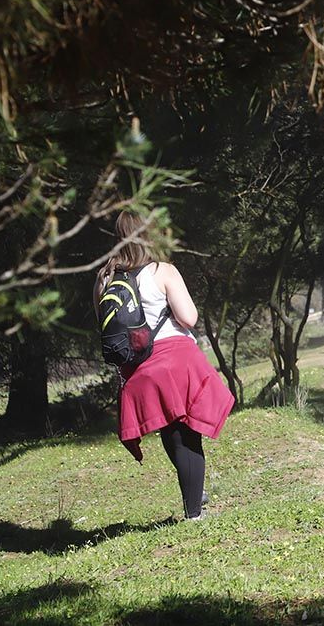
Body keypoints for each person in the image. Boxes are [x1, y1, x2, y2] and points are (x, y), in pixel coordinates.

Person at [96, 211, 234, 521]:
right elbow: (189, 318)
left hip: (137, 368)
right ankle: (194, 512)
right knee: (186, 433)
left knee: (172, 431)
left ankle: (193, 490)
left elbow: (104, 326)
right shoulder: (163, 271)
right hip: (175, 359)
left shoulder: (104, 279)